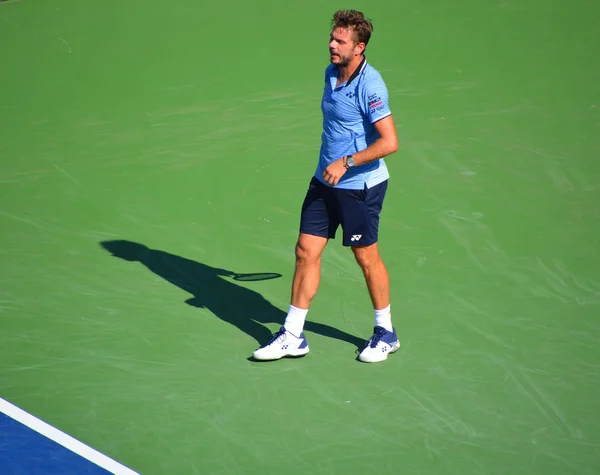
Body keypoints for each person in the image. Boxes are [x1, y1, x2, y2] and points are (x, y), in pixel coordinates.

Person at [253, 9, 399, 363]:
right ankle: (292, 335)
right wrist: (331, 167)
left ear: (359, 47)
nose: (332, 46)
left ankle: (386, 332)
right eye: (332, 39)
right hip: (324, 181)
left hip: (359, 186)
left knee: (366, 258)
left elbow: (389, 142)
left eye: (340, 41)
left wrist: (347, 161)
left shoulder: (371, 85)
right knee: (305, 251)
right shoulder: (330, 74)